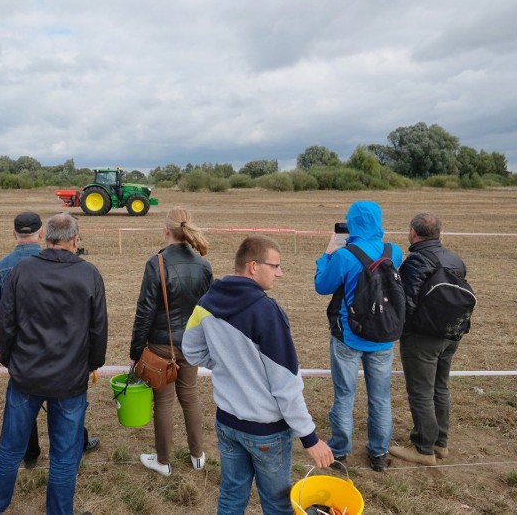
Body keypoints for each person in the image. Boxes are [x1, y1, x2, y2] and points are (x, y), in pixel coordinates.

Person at [182, 237, 334, 514]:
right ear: (253, 266)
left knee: (230, 495)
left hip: (227, 422)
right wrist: (310, 438)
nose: (280, 273)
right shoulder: (268, 312)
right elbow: (286, 385)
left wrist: (228, 364)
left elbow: (190, 351)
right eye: (275, 266)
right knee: (277, 503)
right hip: (267, 432)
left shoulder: (206, 302)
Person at [0, 213, 107, 515]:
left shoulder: (23, 270)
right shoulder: (88, 274)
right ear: (75, 239)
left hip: (28, 376)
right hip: (68, 380)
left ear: (47, 236)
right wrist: (92, 364)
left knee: (11, 446)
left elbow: (3, 324)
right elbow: (99, 331)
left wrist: (8, 358)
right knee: (64, 453)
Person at [313, 200, 402, 472]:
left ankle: (340, 450)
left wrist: (328, 253)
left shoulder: (344, 255)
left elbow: (322, 285)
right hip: (383, 337)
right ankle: (378, 452)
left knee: (344, 395)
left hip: (348, 336)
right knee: (380, 397)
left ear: (351, 222)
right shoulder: (394, 252)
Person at [130, 206, 213, 476]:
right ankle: (198, 455)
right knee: (190, 396)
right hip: (191, 343)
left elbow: (144, 311)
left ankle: (163, 462)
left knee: (163, 402)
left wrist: (135, 350)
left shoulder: (157, 263)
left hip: (160, 345)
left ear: (166, 230)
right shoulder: (204, 264)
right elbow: (207, 309)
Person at [390, 212, 468, 466]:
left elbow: (407, 301)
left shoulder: (416, 260)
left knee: (421, 391)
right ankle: (440, 444)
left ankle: (423, 448)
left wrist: (399, 331)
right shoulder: (455, 259)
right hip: (451, 333)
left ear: (414, 232)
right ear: (439, 233)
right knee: (440, 386)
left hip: (422, 338)